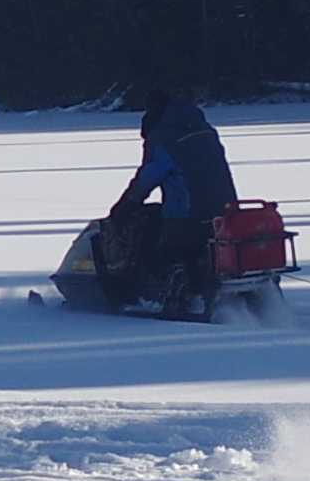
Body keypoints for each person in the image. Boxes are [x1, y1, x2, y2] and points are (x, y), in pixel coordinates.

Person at [63, 88, 239, 315]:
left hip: (188, 214)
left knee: (159, 254)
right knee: (195, 247)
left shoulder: (163, 136)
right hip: (226, 214)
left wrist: (125, 206)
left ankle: (175, 283)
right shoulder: (205, 131)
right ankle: (198, 284)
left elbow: (148, 177)